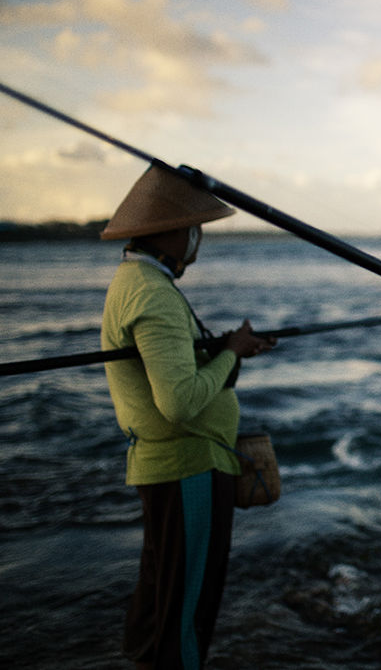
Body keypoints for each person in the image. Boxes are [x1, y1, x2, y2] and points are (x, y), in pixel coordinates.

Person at [100, 162, 276, 669]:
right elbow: (177, 402)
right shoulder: (153, 295)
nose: (198, 238)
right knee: (186, 610)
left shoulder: (135, 282)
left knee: (163, 598)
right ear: (170, 232)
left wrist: (224, 349)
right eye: (193, 228)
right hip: (188, 467)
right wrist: (232, 353)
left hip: (172, 466)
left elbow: (168, 365)